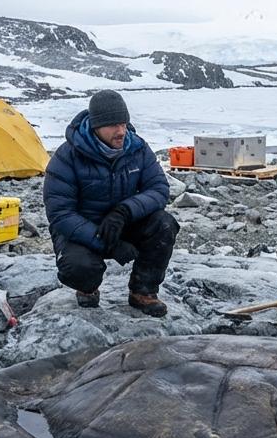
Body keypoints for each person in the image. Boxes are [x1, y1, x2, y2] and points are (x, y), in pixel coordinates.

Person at [44, 90, 177, 317]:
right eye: (114, 125)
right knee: (79, 268)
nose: (121, 131)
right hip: (83, 231)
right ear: (96, 126)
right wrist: (108, 245)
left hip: (123, 223)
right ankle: (88, 287)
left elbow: (159, 189)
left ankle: (142, 292)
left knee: (164, 223)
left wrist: (125, 211)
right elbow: (61, 214)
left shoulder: (137, 148)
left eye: (124, 124)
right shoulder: (67, 157)